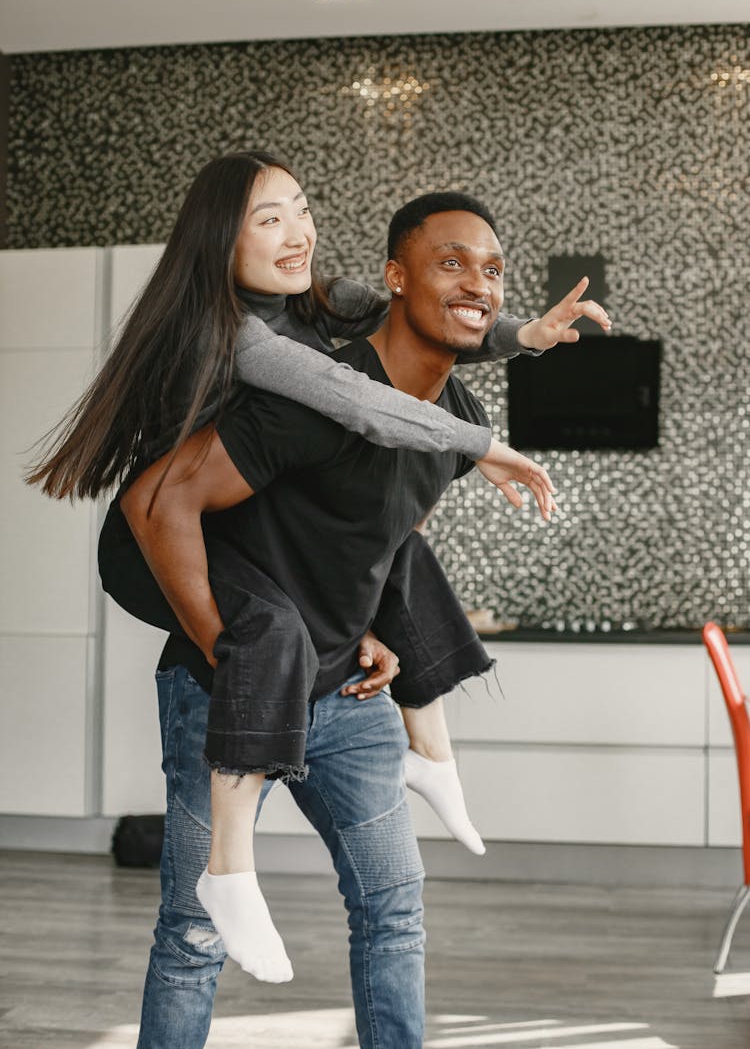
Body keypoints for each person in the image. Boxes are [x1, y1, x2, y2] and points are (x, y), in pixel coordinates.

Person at [27, 153, 609, 986]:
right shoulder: (243, 337)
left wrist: (529, 336)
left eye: (299, 208)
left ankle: (431, 753)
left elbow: (438, 312)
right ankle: (229, 871)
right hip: (160, 535)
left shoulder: (323, 299)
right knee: (268, 633)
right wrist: (483, 445)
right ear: (217, 243)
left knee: (401, 550)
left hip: (235, 526)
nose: (296, 231)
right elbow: (357, 401)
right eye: (267, 219)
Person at [121, 191, 558, 1047]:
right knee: (193, 931)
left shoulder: (462, 417)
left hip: (349, 696)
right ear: (394, 279)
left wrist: (369, 618)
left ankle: (432, 756)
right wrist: (229, 657)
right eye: (451, 262)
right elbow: (161, 500)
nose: (479, 283)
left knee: (393, 908)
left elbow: (389, 524)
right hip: (233, 677)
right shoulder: (309, 397)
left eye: (494, 269)